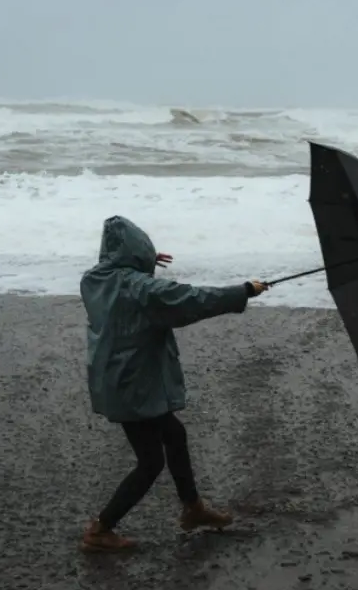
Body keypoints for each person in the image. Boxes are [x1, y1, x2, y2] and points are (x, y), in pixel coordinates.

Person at [78, 215, 268, 552]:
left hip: (116, 378)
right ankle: (100, 529)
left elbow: (128, 284)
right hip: (133, 384)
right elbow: (191, 299)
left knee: (174, 434)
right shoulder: (139, 288)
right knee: (150, 462)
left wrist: (143, 263)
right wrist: (243, 291)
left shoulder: (95, 280)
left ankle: (193, 509)